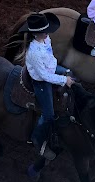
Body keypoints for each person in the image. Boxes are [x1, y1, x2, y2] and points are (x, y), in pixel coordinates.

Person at [18, 12, 74, 160]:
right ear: (37, 34)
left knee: (72, 73)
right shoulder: (34, 52)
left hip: (50, 67)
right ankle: (36, 138)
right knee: (48, 115)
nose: (47, 33)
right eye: (45, 32)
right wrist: (63, 80)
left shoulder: (45, 39)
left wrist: (63, 72)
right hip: (41, 81)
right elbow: (43, 76)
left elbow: (50, 57)